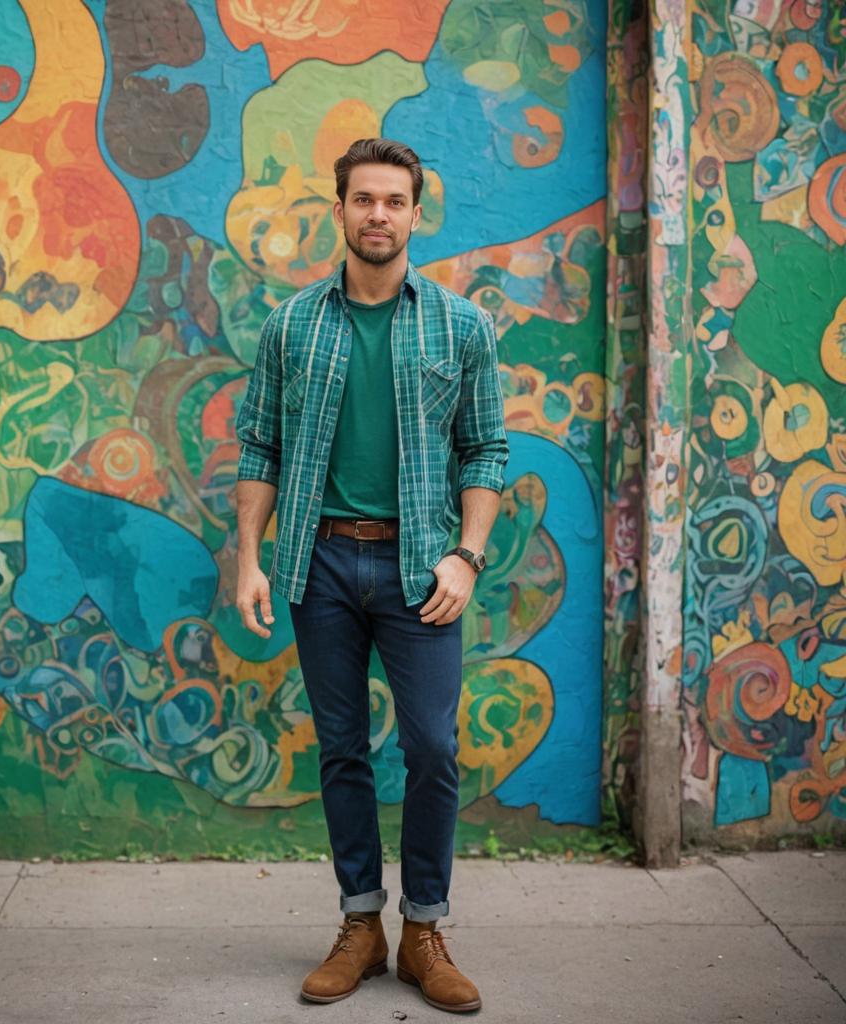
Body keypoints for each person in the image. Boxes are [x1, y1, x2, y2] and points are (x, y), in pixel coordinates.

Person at [234, 137, 508, 1014]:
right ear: (341, 208)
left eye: (394, 201)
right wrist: (250, 557)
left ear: (415, 213)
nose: (378, 215)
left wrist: (465, 557)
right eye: (364, 200)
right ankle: (361, 923)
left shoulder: (460, 325)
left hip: (419, 568)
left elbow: (486, 449)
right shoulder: (293, 324)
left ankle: (425, 928)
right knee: (342, 751)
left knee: (432, 747)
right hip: (318, 561)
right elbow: (259, 445)